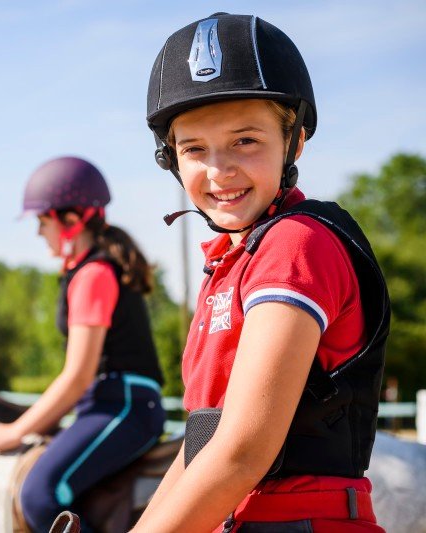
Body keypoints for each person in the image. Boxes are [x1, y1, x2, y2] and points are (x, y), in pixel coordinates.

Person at [131, 13, 389, 533]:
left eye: (245, 141)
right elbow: (204, 445)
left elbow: (244, 450)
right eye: (193, 149)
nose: (219, 170)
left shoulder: (295, 244)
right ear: (171, 158)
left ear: (294, 141)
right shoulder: (230, 260)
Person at [0, 156, 167, 532]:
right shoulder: (88, 270)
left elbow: (77, 376)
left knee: (38, 494)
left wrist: (14, 431)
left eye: (42, 221)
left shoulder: (93, 275)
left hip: (124, 406)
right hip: (106, 404)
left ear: (71, 220)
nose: (38, 233)